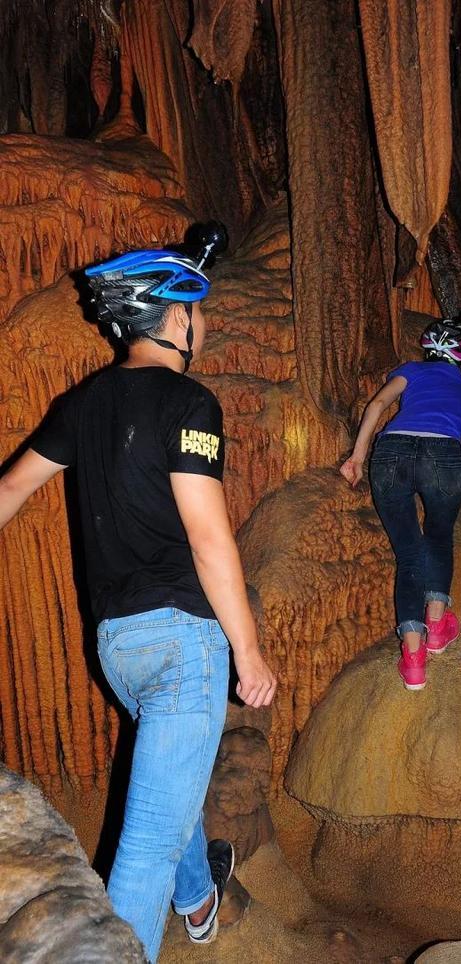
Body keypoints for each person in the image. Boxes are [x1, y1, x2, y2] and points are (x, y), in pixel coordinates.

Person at [0, 234, 277, 962]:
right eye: (199, 310)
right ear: (176, 319)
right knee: (147, 844)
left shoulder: (82, 404)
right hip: (186, 643)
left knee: (166, 791)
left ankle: (197, 903)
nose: (203, 323)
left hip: (118, 648)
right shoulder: (189, 401)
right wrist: (248, 650)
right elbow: (210, 538)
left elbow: (9, 490)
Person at [340, 312, 461, 692]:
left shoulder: (412, 371)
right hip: (445, 455)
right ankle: (436, 628)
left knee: (409, 554)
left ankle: (414, 660)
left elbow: (378, 404)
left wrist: (357, 457)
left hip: (393, 451)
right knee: (438, 536)